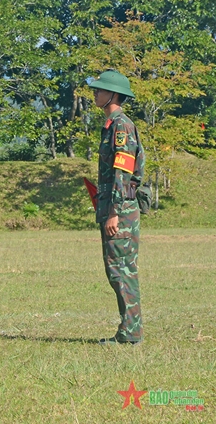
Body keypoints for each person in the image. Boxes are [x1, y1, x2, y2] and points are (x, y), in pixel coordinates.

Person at [88, 70, 145, 345]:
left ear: (113, 94)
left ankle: (131, 333)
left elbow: (123, 172)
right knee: (118, 270)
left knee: (122, 270)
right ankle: (130, 331)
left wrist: (113, 213)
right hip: (116, 207)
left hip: (119, 211)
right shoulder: (112, 124)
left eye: (100, 90)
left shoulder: (120, 126)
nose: (95, 94)